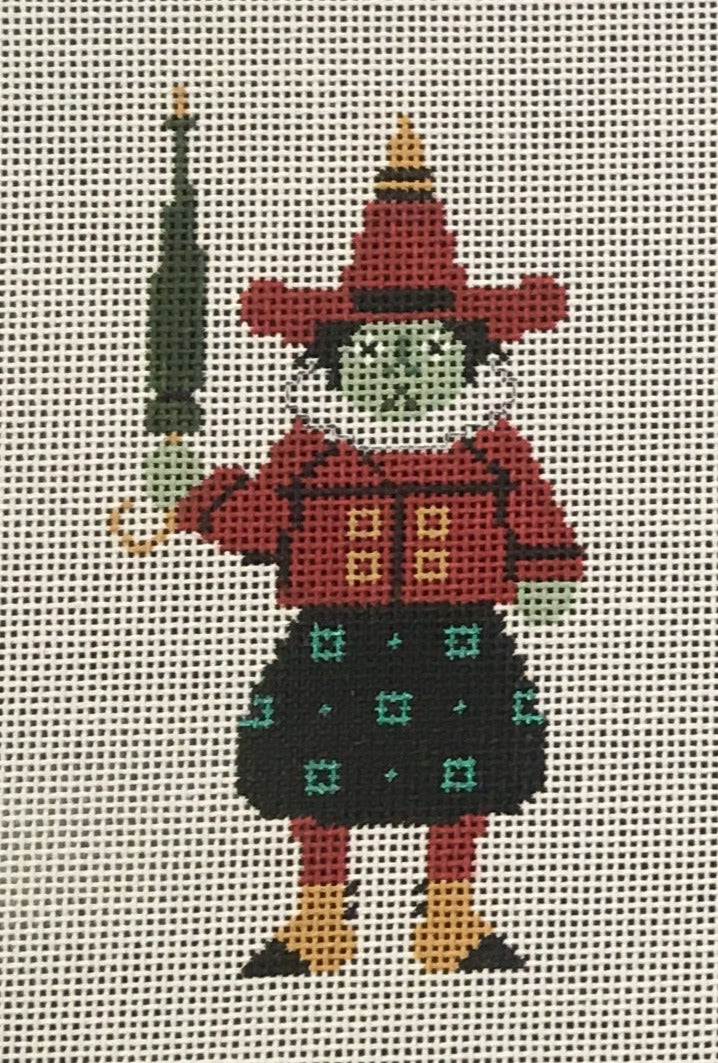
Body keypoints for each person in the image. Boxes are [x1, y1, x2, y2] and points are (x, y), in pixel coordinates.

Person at [173, 117, 585, 975]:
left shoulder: (486, 443)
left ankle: (452, 913)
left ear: (468, 356)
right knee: (316, 765)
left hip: (457, 626)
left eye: (426, 350)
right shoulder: (314, 447)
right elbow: (262, 523)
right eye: (375, 350)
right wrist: (193, 491)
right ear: (333, 357)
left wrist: (547, 569)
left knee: (464, 767)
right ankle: (321, 915)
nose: (399, 371)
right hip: (340, 630)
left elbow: (532, 509)